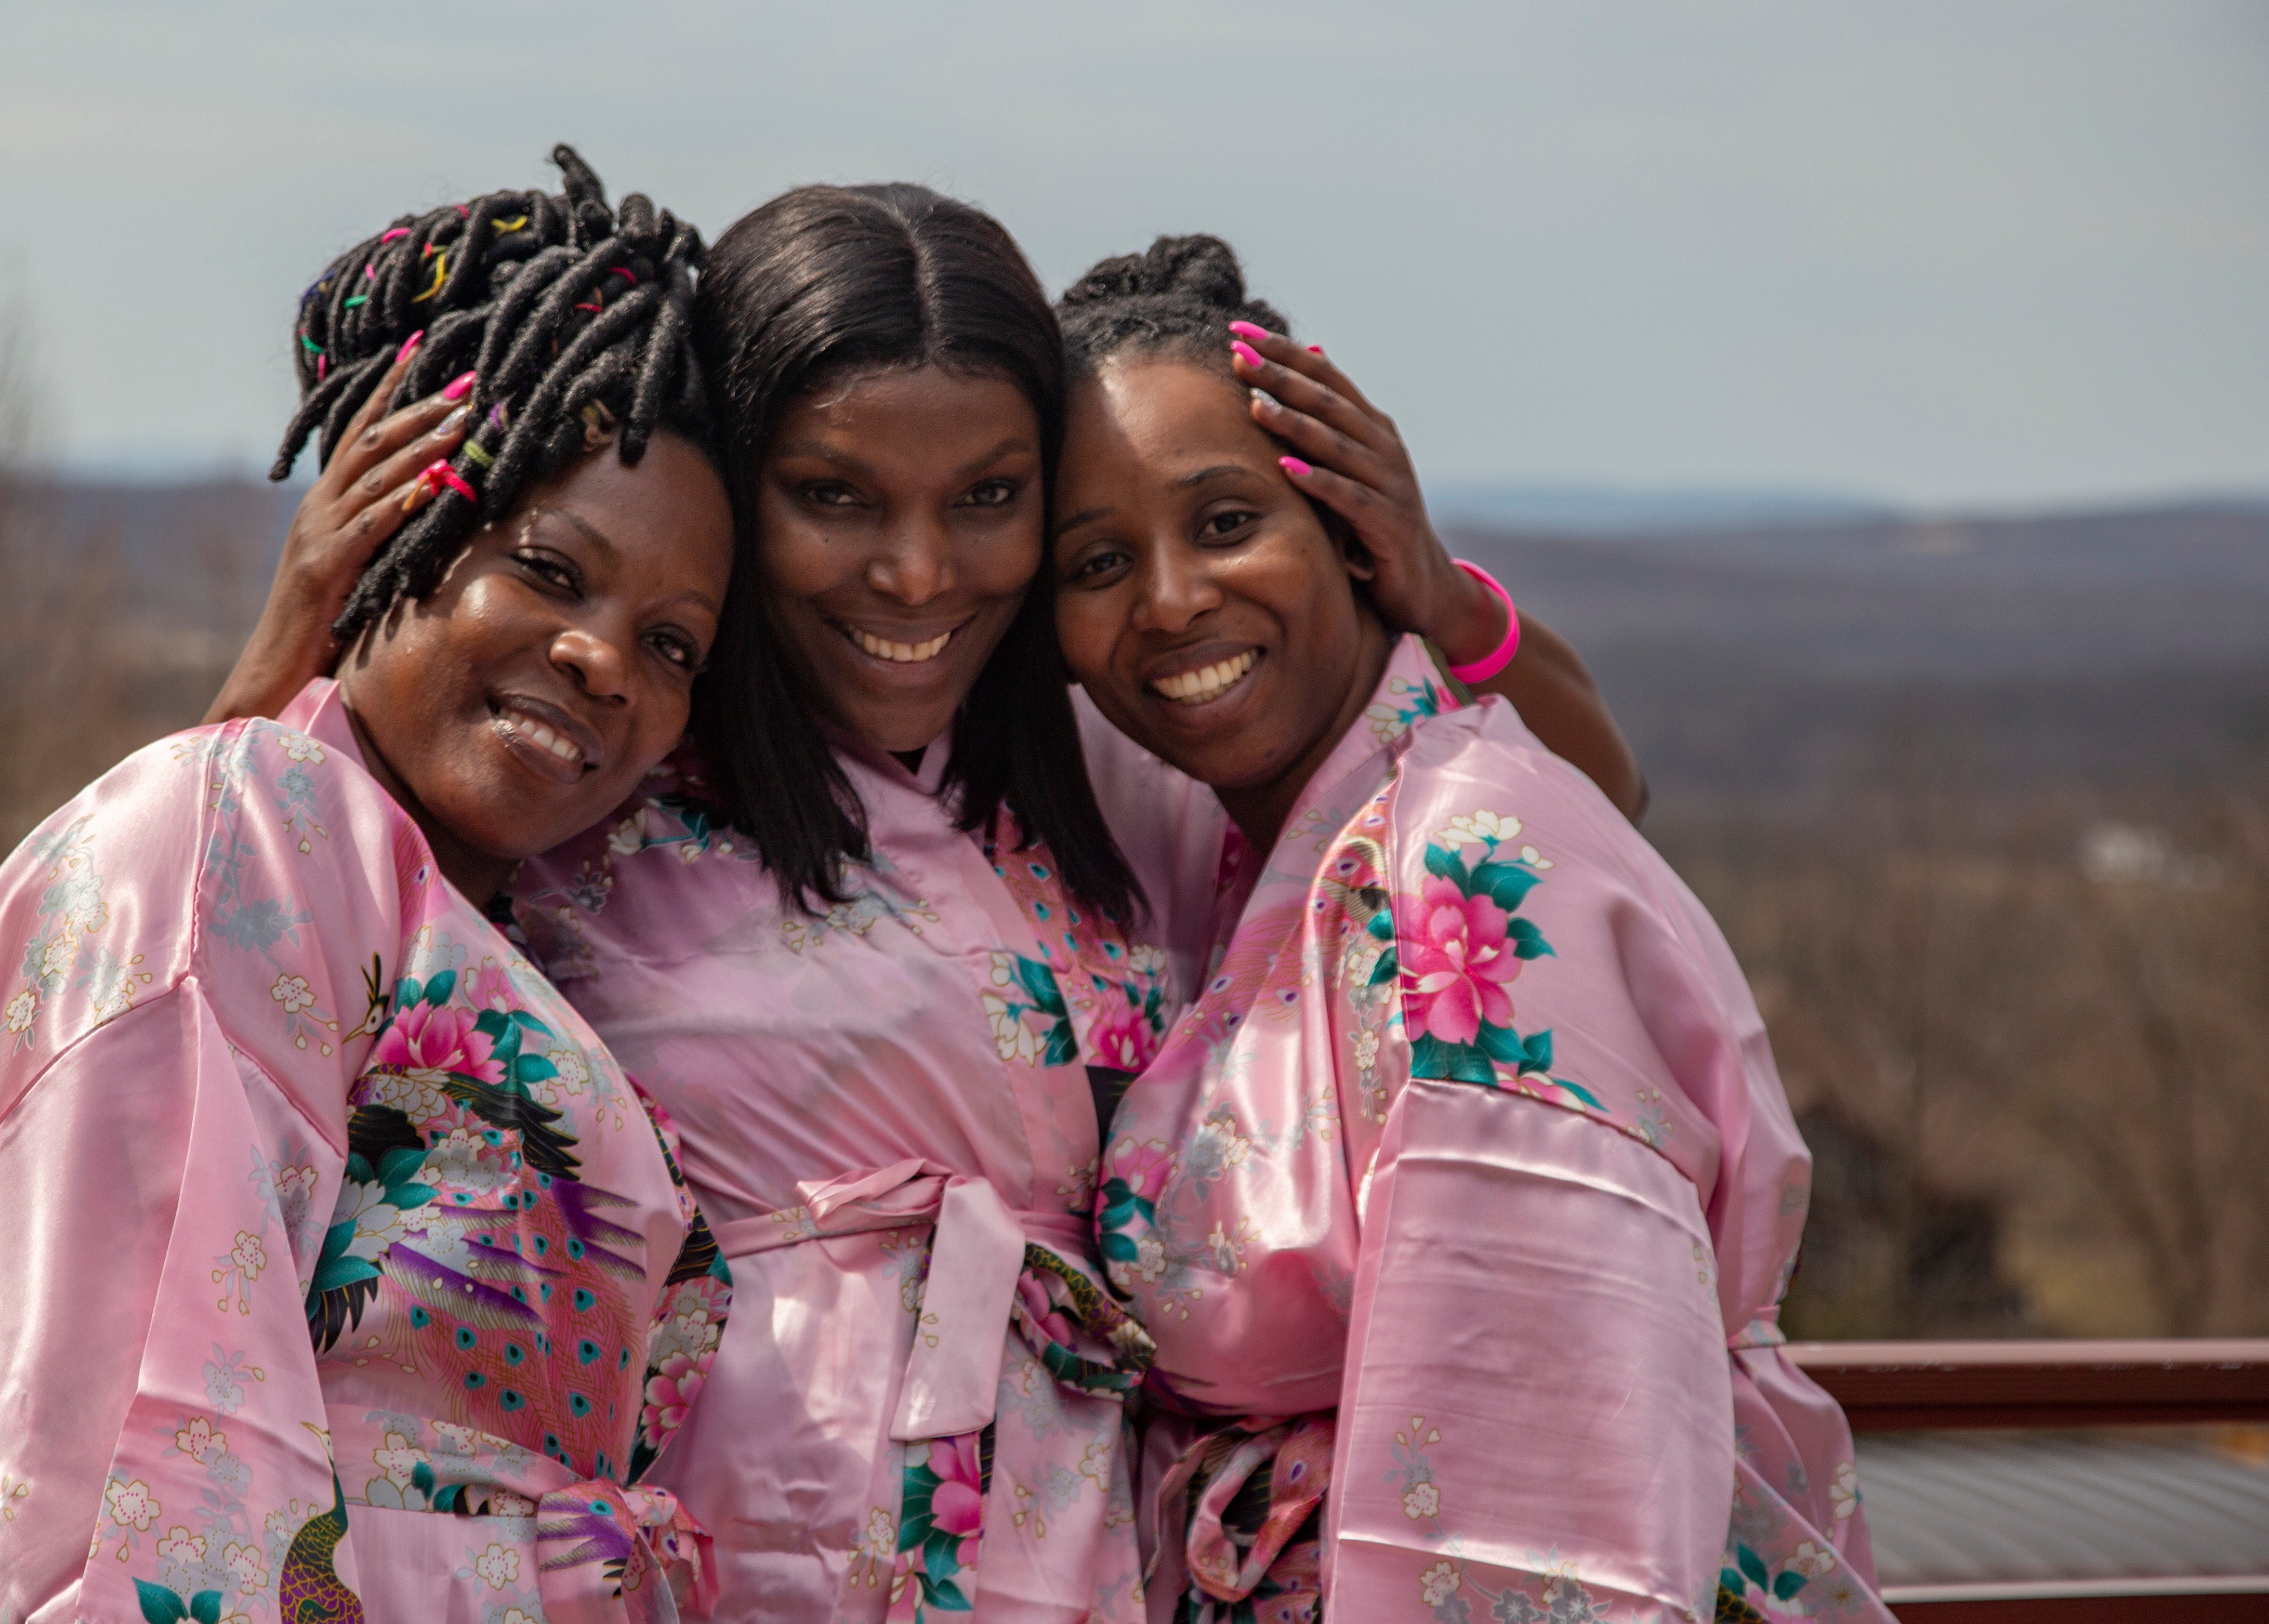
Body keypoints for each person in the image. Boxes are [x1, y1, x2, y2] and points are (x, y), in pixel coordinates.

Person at [211, 182, 1649, 1621]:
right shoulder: (610, 768)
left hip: (1095, 1567)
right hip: (737, 1563)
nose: (915, 571)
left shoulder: (1109, 783)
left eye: (987, 499)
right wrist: (296, 633)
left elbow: (1556, 818)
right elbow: (238, 917)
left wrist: (1437, 598)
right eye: (834, 496)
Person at [0, 150, 740, 1624]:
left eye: (673, 643)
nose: (608, 659)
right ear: (383, 528)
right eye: (550, 569)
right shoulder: (238, 838)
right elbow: (145, 1458)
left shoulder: (501, 924)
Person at [1054, 237, 1888, 1623]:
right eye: (1095, 560)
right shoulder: (1224, 835)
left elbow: (1533, 1512)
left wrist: (1444, 589)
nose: (1170, 599)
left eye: (1223, 523)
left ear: (1348, 527)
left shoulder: (1461, 881)